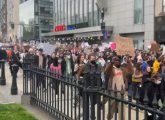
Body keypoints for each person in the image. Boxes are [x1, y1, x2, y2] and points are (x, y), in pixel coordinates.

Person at [104, 56, 127, 120]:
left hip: (121, 92)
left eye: (118, 60)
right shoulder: (111, 68)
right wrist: (111, 63)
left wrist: (126, 87)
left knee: (122, 110)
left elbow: (127, 76)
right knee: (112, 108)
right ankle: (109, 118)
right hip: (113, 91)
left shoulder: (122, 68)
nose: (117, 61)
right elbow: (106, 71)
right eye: (115, 60)